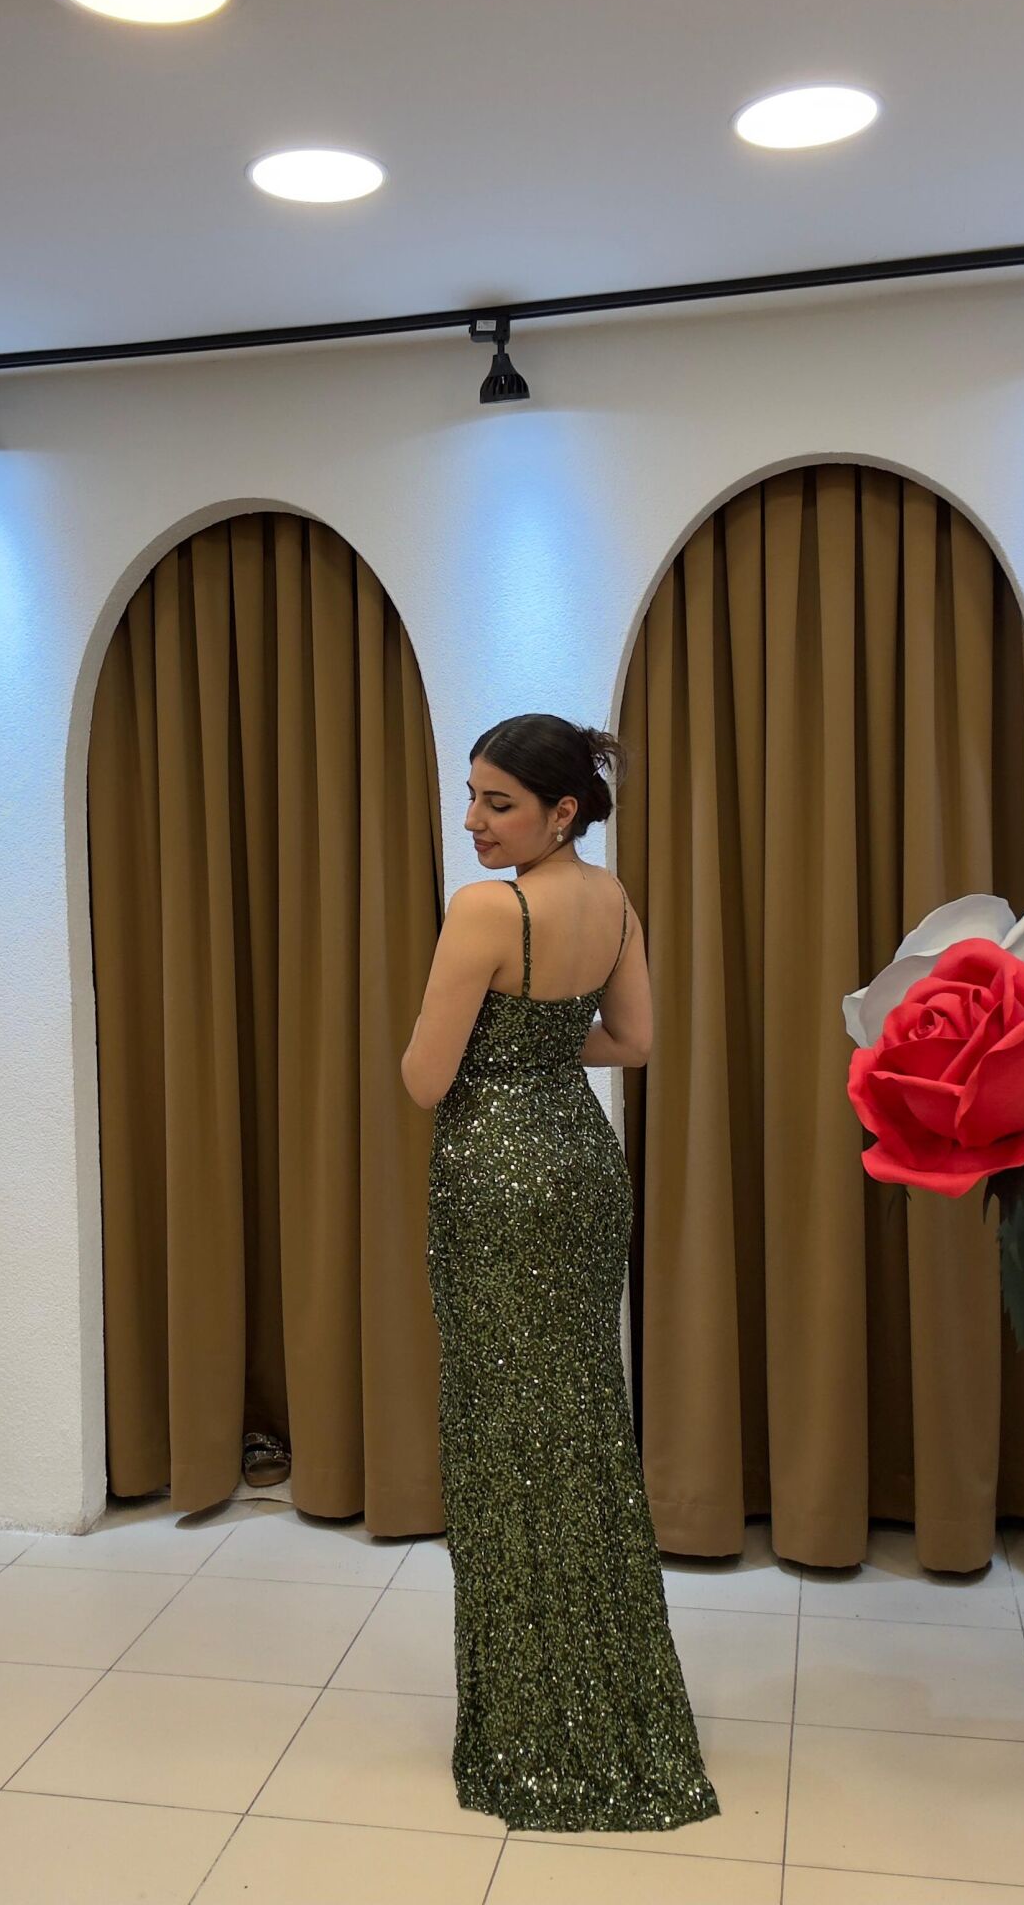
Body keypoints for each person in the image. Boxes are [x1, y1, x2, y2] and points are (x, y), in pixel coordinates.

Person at [400, 713, 720, 1834]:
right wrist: (540, 1045)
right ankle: (609, 1696)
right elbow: (631, 1042)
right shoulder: (613, 901)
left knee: (503, 1433)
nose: (474, 822)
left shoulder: (486, 911)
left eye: (498, 803)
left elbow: (425, 1077)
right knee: (578, 1421)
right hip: (582, 1166)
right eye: (471, 796)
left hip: (494, 1180)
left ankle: (531, 1726)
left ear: (562, 811)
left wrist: (492, 1047)